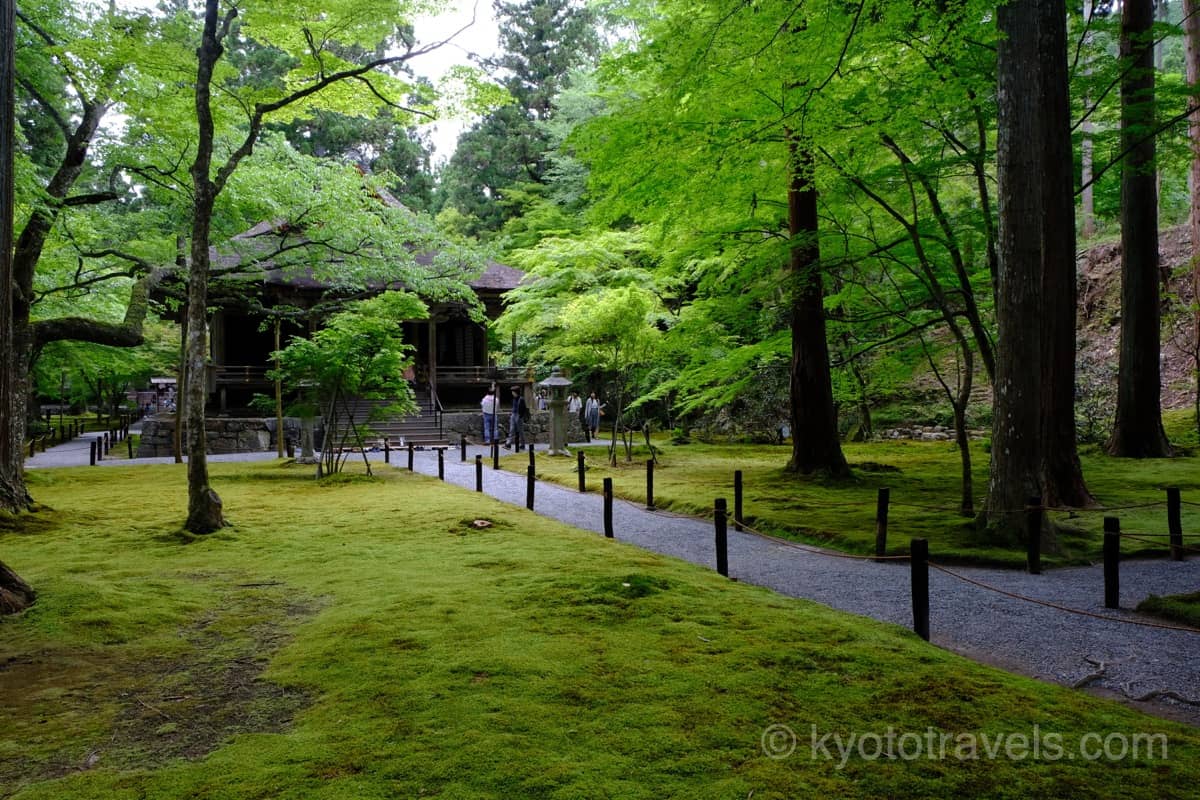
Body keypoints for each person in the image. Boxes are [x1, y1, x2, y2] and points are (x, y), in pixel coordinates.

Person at [505, 385, 529, 449]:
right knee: (511, 429)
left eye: (513, 392)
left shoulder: (521, 399)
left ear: (516, 392)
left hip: (518, 415)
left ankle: (522, 444)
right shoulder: (514, 399)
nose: (512, 393)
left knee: (520, 430)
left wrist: (520, 416)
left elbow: (523, 409)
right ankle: (508, 443)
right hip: (513, 414)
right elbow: (514, 407)